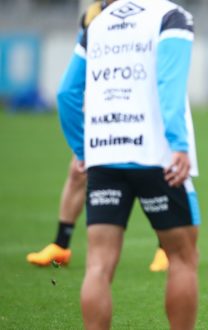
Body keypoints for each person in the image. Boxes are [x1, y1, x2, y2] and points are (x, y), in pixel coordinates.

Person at [57, 0, 200, 328]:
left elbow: (66, 93)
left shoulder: (97, 22)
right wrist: (178, 144)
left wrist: (83, 149)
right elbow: (170, 84)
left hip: (104, 155)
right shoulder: (171, 16)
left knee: (98, 265)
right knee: (182, 258)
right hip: (157, 156)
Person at [27, 0, 169, 273]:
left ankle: (165, 247)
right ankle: (60, 245)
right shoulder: (93, 15)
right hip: (107, 108)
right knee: (78, 171)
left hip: (142, 106)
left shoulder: (151, 11)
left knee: (157, 173)